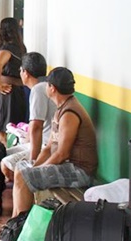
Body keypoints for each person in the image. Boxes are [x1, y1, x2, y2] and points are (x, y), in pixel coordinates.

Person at [11, 67, 98, 217]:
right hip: (67, 166)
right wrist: (35, 166)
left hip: (79, 171)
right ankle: (13, 223)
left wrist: (37, 171)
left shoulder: (70, 113)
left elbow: (62, 154)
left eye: (47, 84)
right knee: (21, 169)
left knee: (25, 177)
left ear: (52, 88)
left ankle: (19, 227)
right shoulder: (61, 108)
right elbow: (49, 147)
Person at [1, 52, 56, 181]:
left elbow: (37, 127)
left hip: (45, 146)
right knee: (1, 154)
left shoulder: (38, 89)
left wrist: (33, 161)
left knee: (5, 165)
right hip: (41, 143)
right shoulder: (45, 86)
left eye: (20, 70)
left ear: (25, 73)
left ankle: (26, 187)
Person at [0, 17, 28, 144]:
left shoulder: (7, 48)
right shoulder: (18, 47)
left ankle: (6, 159)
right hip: (11, 89)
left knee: (5, 131)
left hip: (6, 91)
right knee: (5, 130)